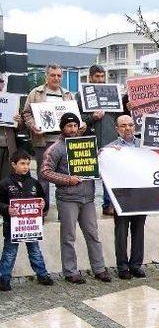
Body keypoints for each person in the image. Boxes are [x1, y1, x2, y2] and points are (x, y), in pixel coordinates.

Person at [40, 113, 111, 284]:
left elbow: (98, 160)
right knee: (68, 237)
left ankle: (99, 269)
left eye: (75, 126)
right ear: (62, 127)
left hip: (88, 198)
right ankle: (70, 272)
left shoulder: (86, 144)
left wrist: (108, 152)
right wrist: (67, 180)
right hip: (67, 198)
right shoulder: (55, 148)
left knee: (93, 234)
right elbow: (45, 172)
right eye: (69, 126)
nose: (72, 129)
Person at [22, 64, 79, 204]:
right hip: (43, 140)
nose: (56, 78)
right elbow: (26, 114)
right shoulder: (35, 93)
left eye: (59, 75)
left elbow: (75, 116)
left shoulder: (68, 94)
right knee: (44, 175)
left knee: (66, 174)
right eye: (53, 75)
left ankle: (65, 208)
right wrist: (32, 125)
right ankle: (43, 208)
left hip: (65, 141)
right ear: (46, 76)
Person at [0, 150, 54, 290]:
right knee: (9, 253)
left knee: (35, 251)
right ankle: (3, 279)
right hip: (12, 226)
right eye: (22, 164)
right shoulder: (5, 183)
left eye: (28, 164)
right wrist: (7, 209)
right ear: (13, 164)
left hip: (31, 227)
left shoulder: (34, 183)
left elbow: (44, 201)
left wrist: (43, 204)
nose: (25, 167)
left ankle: (42, 275)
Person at [104, 115, 147, 279]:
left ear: (134, 127)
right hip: (121, 196)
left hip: (141, 195)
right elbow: (106, 174)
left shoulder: (143, 146)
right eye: (123, 126)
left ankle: (136, 265)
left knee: (139, 231)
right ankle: (122, 266)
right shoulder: (110, 148)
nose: (127, 128)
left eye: (130, 125)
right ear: (117, 129)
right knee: (121, 232)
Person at [76, 64, 120, 216]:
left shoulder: (113, 93)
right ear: (90, 77)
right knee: (88, 175)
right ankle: (87, 207)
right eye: (97, 76)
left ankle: (109, 205)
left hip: (109, 139)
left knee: (110, 173)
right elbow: (77, 118)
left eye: (102, 76)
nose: (100, 80)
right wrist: (91, 117)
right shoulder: (80, 95)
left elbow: (120, 116)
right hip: (88, 138)